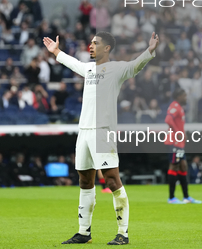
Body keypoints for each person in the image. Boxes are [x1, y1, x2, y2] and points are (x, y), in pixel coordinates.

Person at [43, 31, 159, 245]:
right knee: (85, 181)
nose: (91, 46)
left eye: (96, 43)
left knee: (113, 180)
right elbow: (73, 63)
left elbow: (135, 66)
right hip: (84, 132)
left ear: (107, 48)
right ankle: (84, 232)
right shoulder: (88, 69)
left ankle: (123, 233)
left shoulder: (116, 69)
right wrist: (56, 52)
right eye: (90, 42)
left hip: (102, 132)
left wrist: (149, 51)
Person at [164, 88, 201, 204]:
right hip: (174, 142)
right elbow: (168, 119)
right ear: (179, 96)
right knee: (174, 166)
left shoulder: (179, 107)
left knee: (183, 166)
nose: (186, 98)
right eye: (184, 96)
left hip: (179, 144)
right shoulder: (174, 106)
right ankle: (171, 198)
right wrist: (178, 133)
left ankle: (186, 197)